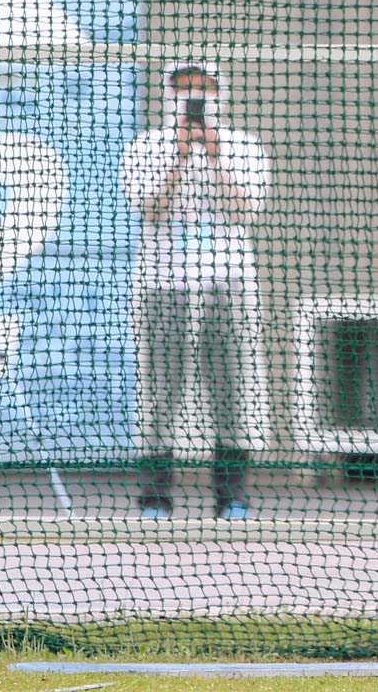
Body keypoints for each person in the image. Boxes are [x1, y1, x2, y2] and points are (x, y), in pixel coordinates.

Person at [120, 62, 272, 521]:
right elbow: (150, 208)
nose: (193, 98)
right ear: (169, 94)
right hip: (162, 283)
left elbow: (245, 210)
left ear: (218, 94)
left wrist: (214, 155)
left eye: (202, 88)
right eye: (184, 88)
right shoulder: (147, 146)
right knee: (159, 391)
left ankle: (232, 496)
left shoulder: (244, 146)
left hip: (228, 281)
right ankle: (155, 497)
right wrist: (181, 157)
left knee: (233, 389)